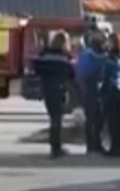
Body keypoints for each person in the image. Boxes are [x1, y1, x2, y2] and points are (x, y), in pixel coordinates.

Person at [33, 30, 74, 158]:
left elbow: (37, 70)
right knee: (57, 118)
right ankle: (56, 147)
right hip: (59, 89)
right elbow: (71, 75)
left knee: (53, 117)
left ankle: (54, 146)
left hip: (47, 89)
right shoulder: (64, 58)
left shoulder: (44, 56)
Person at [76, 28, 107, 154]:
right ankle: (94, 144)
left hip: (89, 87)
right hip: (91, 87)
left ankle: (93, 144)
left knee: (93, 117)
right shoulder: (92, 53)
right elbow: (90, 70)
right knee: (95, 117)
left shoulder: (87, 52)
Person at [102, 33, 120, 157]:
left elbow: (107, 76)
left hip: (111, 90)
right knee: (117, 121)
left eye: (109, 41)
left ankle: (115, 148)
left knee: (113, 121)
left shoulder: (110, 58)